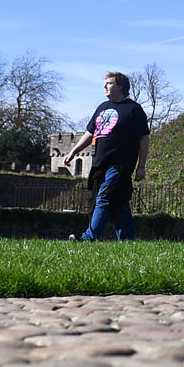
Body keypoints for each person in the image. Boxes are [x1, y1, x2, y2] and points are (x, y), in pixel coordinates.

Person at [61, 71, 152, 241]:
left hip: (120, 165)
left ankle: (88, 238)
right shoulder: (102, 107)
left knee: (104, 197)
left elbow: (144, 139)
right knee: (119, 203)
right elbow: (90, 133)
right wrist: (73, 151)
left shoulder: (133, 110)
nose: (104, 87)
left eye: (109, 83)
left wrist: (141, 166)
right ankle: (127, 241)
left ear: (120, 87)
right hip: (100, 164)